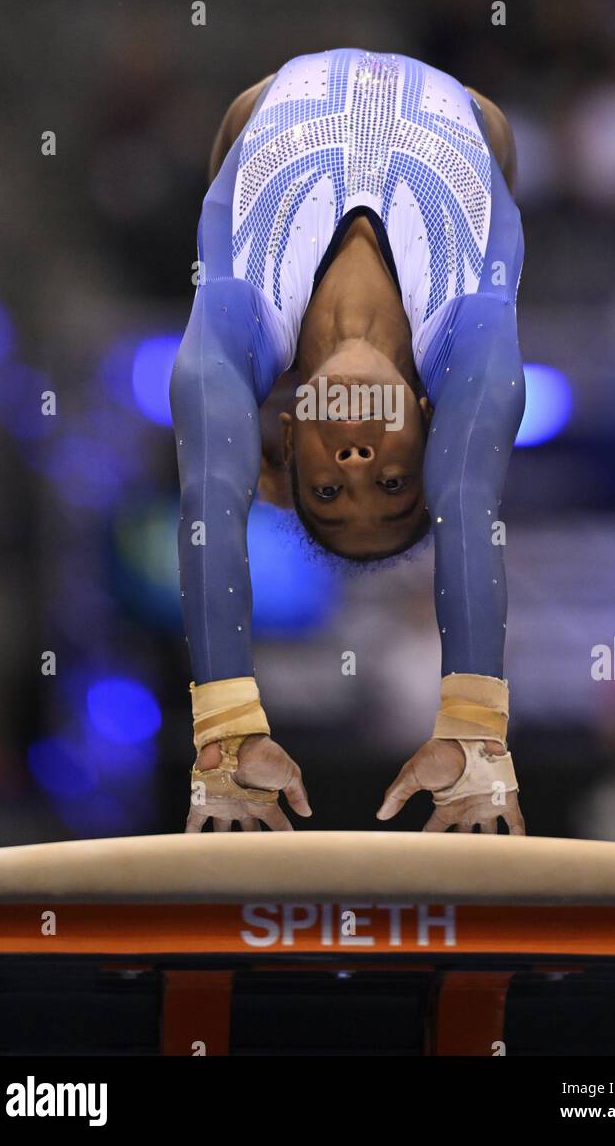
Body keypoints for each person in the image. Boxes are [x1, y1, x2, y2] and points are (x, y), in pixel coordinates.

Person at [171, 49, 526, 835]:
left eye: (328, 492)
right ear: (434, 432)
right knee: (492, 132)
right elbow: (469, 500)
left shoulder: (237, 317)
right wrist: (473, 731)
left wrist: (224, 736)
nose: (359, 465)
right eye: (395, 484)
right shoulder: (469, 327)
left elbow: (208, 502)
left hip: (262, 108)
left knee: (239, 125)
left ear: (285, 443)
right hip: (467, 112)